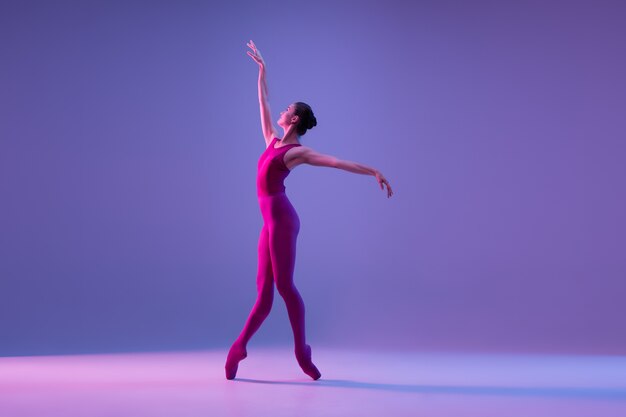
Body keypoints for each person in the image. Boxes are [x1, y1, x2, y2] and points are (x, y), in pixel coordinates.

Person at [225, 40, 394, 381]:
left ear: (295, 118)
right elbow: (264, 100)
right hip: (268, 224)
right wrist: (262, 71)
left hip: (283, 222)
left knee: (285, 287)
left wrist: (373, 170)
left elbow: (336, 162)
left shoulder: (297, 152)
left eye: (287, 109)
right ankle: (240, 347)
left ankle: (302, 353)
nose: (281, 111)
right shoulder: (271, 139)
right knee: (264, 292)